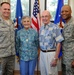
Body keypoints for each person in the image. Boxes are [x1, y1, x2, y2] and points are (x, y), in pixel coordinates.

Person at [39, 10, 64, 75]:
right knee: (43, 73)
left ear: (50, 17)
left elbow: (59, 43)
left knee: (51, 73)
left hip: (50, 54)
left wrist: (55, 58)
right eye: (43, 17)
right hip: (42, 54)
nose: (44, 18)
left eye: (46, 16)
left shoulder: (55, 27)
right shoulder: (41, 28)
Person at [0, 2, 15, 75]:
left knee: (9, 73)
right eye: (5, 9)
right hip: (1, 56)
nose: (7, 11)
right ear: (0, 9)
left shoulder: (11, 22)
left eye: (8, 9)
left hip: (11, 54)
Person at [61, 5, 74, 75]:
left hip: (71, 58)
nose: (64, 13)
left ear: (71, 12)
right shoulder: (66, 24)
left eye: (66, 11)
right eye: (62, 11)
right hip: (64, 56)